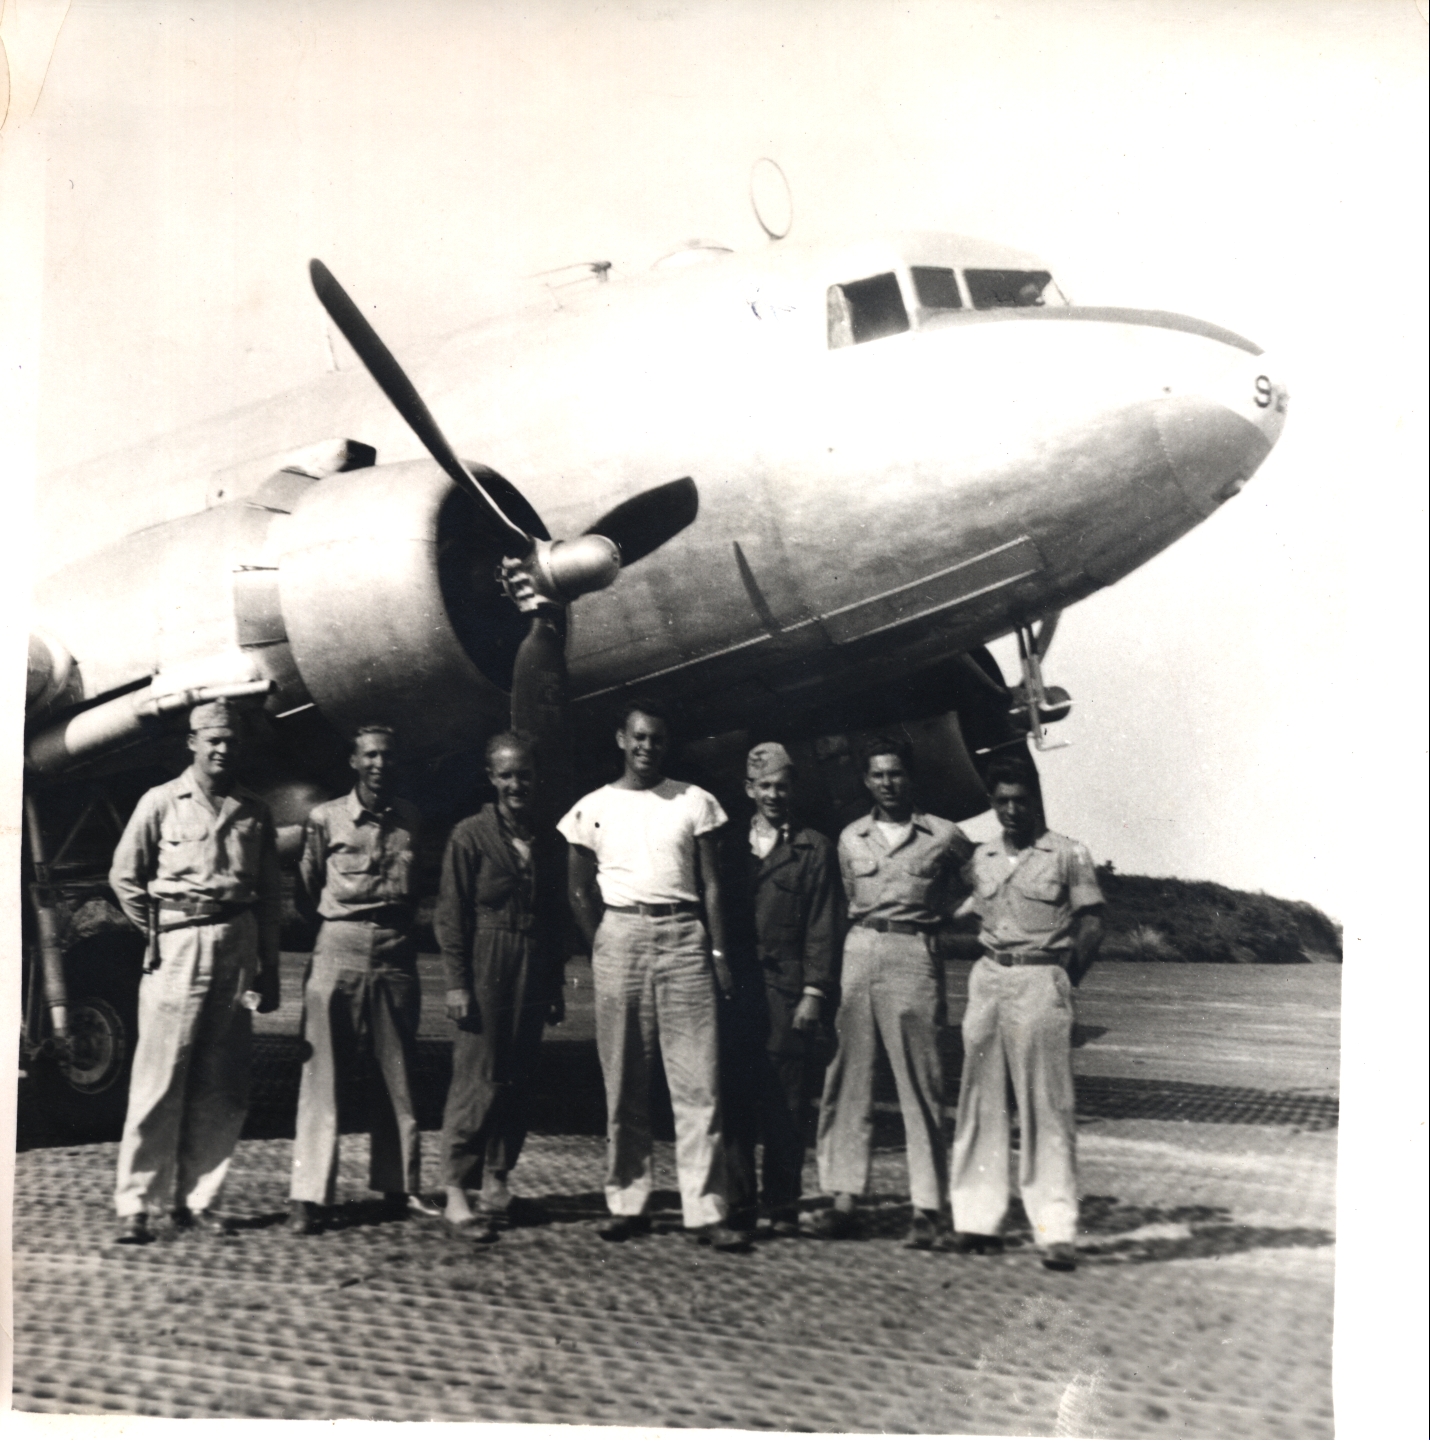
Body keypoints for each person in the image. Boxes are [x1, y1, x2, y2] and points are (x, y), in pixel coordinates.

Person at [559, 699, 745, 1250]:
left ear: (667, 744)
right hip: (621, 936)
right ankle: (627, 1202)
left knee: (698, 1084)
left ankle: (705, 1212)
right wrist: (601, 941)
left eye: (656, 739)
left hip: (685, 938)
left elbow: (713, 885)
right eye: (638, 737)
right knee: (624, 1081)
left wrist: (718, 952)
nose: (647, 747)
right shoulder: (592, 807)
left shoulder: (694, 801)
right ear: (622, 739)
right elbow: (577, 889)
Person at [108, 699, 281, 1243]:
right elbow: (124, 877)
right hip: (178, 947)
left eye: (231, 741)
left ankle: (198, 1201)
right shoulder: (161, 801)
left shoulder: (254, 810)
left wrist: (269, 967)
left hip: (236, 944)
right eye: (213, 740)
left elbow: (269, 896)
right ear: (193, 743)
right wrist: (157, 931)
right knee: (159, 1078)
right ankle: (137, 1205)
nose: (223, 749)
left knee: (221, 1083)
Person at [812, 735, 972, 1248]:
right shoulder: (850, 838)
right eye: (878, 774)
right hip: (859, 952)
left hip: (913, 954)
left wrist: (948, 918)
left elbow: (983, 881)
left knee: (922, 1082)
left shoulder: (944, 835)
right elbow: (844, 899)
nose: (888, 782)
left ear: (910, 776)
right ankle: (843, 1199)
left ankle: (928, 1207)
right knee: (848, 1078)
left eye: (896, 773)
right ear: (866, 780)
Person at [949, 755, 1104, 1271]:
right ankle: (977, 1221)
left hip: (1040, 979)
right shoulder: (984, 857)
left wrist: (1062, 980)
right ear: (992, 803)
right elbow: (967, 910)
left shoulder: (1069, 853)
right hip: (989, 980)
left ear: (1034, 799)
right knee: (980, 1103)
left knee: (1047, 1109)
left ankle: (1055, 1230)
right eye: (1002, 801)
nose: (1011, 810)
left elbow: (1092, 923)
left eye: (1020, 800)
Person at [288, 724, 438, 1234]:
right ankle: (308, 1195)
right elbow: (307, 888)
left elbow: (418, 886)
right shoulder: (325, 818)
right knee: (322, 1075)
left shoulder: (411, 819)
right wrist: (341, 928)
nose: (379, 764)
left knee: (397, 1073)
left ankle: (400, 1186)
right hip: (339, 945)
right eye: (369, 755)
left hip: (395, 950)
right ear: (353, 761)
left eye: (387, 756)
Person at [435, 732, 567, 1239]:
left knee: (517, 1075)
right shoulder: (469, 835)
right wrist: (457, 985)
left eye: (524, 775)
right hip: (486, 959)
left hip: (532, 961)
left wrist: (553, 983)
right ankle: (455, 1191)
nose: (517, 784)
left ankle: (497, 1181)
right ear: (491, 778)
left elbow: (553, 916)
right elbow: (451, 915)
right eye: (507, 775)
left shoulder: (546, 839)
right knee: (478, 1076)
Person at [720, 742, 840, 1238]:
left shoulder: (814, 849)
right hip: (736, 990)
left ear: (794, 790)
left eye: (782, 786)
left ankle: (783, 1203)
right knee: (735, 1099)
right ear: (749, 789)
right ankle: (739, 1203)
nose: (773, 795)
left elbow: (823, 926)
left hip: (787, 989)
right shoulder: (727, 845)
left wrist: (814, 992)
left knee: (787, 1104)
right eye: (764, 786)